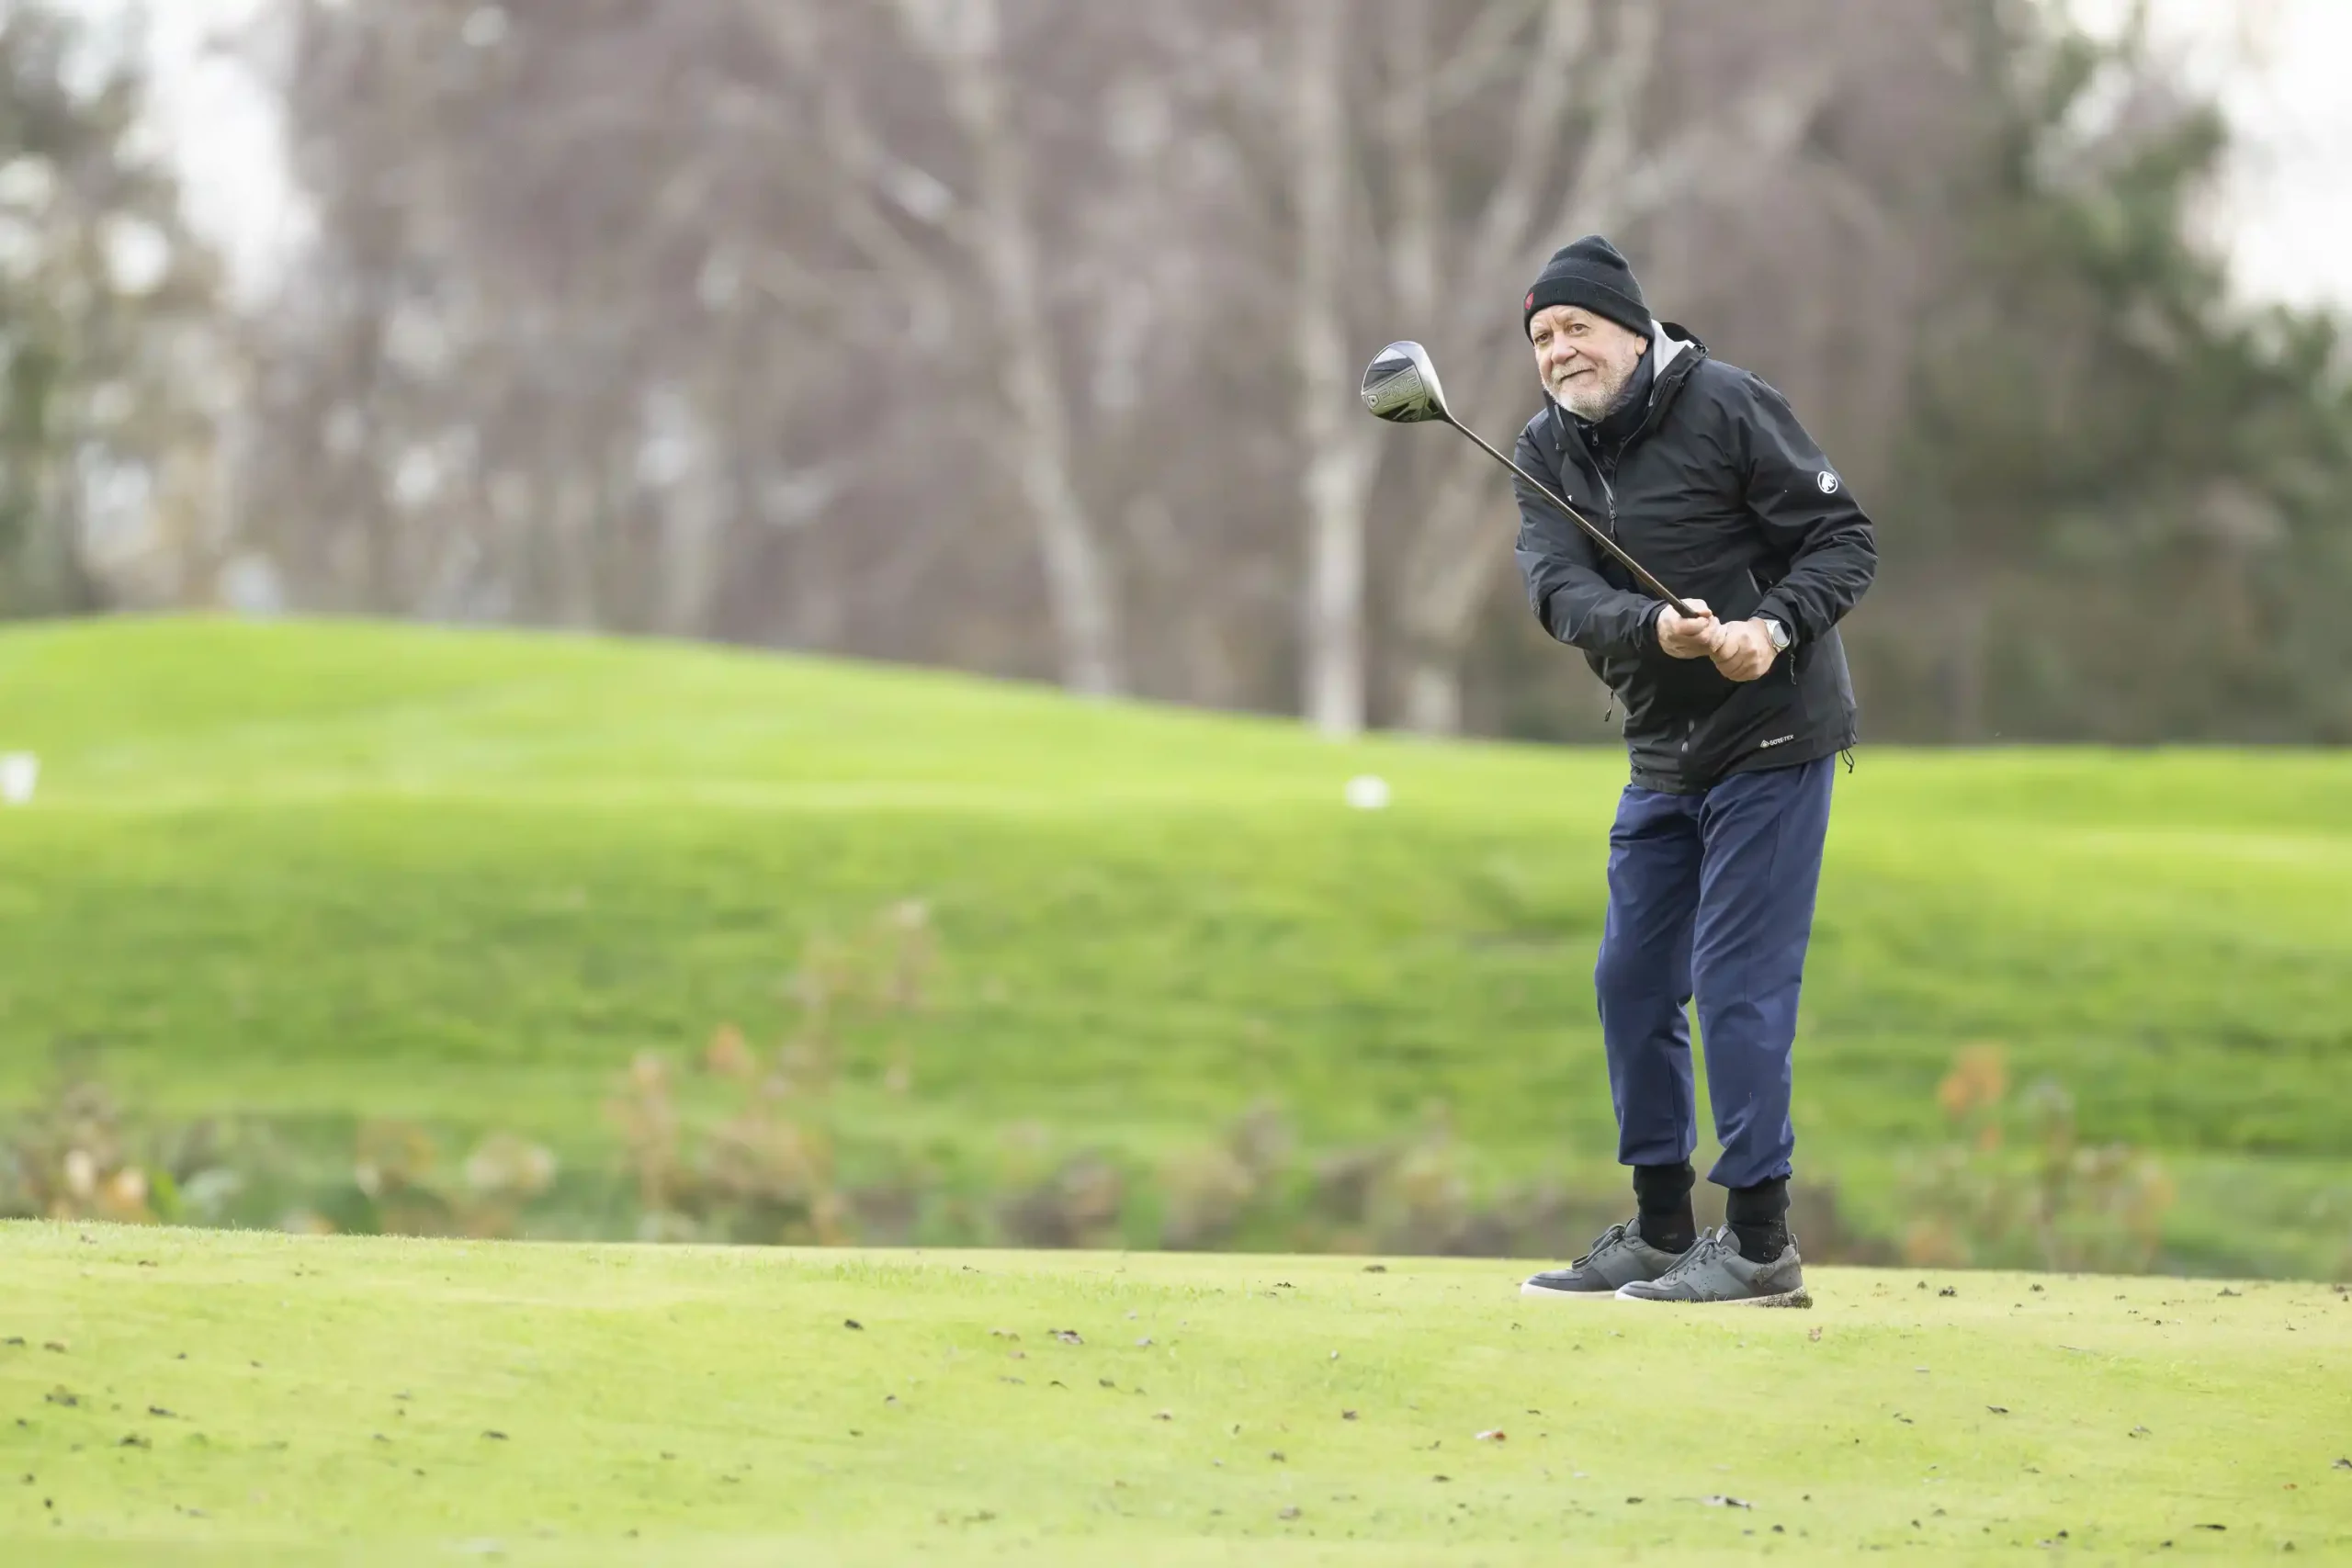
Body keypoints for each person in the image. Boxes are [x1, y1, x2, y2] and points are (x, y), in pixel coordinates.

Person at [1510, 235, 1876, 1305]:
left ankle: (1759, 1243)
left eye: (1576, 326)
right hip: (1661, 751)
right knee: (1629, 981)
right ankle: (1663, 1228)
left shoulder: (1727, 405)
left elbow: (1843, 540)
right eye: (1541, 336)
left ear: (1632, 331)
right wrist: (1652, 628)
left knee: (1734, 982)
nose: (1558, 350)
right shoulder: (1543, 448)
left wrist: (1771, 627)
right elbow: (1557, 592)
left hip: (1773, 734)